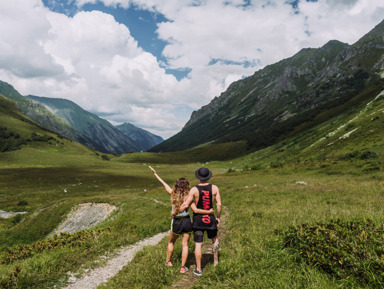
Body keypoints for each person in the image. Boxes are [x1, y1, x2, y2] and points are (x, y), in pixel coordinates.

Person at [149, 166, 213, 274]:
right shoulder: (189, 196)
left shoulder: (173, 194)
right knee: (185, 245)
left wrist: (155, 174)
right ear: (187, 186)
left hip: (177, 221)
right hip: (187, 221)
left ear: (176, 185)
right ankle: (183, 267)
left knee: (171, 241)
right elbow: (195, 209)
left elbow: (164, 184)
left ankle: (168, 262)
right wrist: (208, 211)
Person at [179, 167, 222, 276]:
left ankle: (199, 269)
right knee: (214, 239)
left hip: (198, 220)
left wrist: (176, 212)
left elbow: (186, 204)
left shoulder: (194, 190)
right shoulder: (215, 188)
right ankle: (216, 261)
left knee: (198, 244)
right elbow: (219, 204)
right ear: (208, 176)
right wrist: (218, 217)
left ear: (198, 177)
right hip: (210, 218)